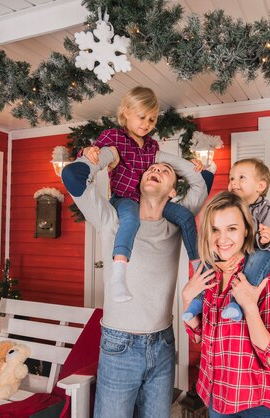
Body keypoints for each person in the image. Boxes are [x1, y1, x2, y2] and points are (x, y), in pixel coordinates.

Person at [61, 146, 208, 418]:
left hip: (163, 343)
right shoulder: (112, 219)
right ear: (138, 184)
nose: (155, 170)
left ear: (173, 192)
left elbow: (205, 179)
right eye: (151, 169)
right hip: (120, 346)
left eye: (164, 172)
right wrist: (105, 156)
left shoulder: (176, 224)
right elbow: (72, 175)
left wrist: (157, 157)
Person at [82, 86, 206, 303]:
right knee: (130, 221)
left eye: (152, 119)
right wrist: (87, 151)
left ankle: (198, 269)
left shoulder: (152, 146)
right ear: (127, 112)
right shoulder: (114, 137)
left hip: (150, 200)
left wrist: (192, 165)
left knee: (186, 217)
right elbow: (94, 153)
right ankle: (119, 274)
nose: (146, 124)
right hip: (125, 198)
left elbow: (169, 171)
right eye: (142, 117)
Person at [182, 191, 270, 418]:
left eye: (231, 228)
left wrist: (249, 307)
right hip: (217, 398)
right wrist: (186, 299)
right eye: (215, 230)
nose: (222, 239)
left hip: (258, 404)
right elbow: (200, 336)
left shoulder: (268, 277)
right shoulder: (210, 276)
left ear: (247, 231)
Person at [182, 158, 270, 322]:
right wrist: (217, 262)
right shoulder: (235, 209)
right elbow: (198, 335)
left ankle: (236, 304)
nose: (234, 182)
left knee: (257, 256)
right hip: (250, 252)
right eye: (231, 178)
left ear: (260, 186)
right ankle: (198, 301)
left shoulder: (266, 209)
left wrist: (266, 239)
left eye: (241, 177)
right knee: (208, 262)